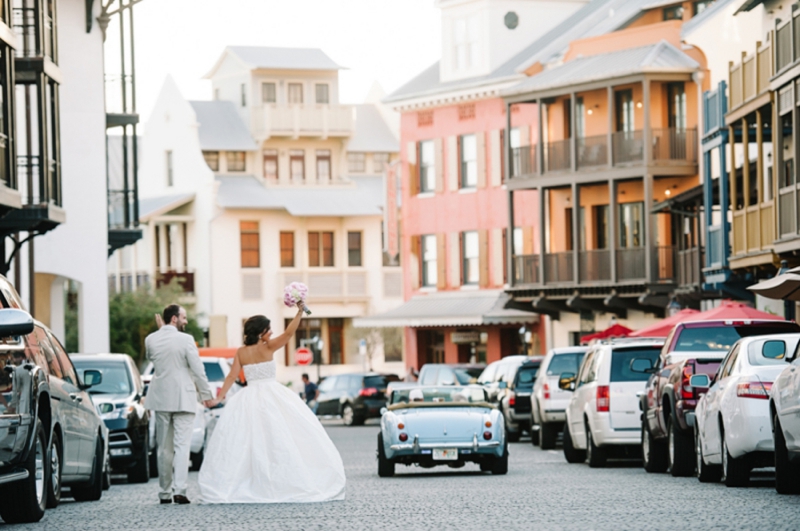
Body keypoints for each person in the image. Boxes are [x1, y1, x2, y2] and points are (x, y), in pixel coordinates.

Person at [198, 303, 346, 504]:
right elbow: (288, 333)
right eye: (268, 329)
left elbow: (232, 375)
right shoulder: (269, 346)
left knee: (246, 441)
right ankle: (278, 480)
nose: (272, 332)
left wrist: (219, 398)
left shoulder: (241, 352)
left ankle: (251, 480)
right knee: (280, 437)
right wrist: (299, 312)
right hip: (271, 395)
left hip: (248, 397)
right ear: (261, 333)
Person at [145, 304, 215, 505]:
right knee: (182, 446)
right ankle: (180, 491)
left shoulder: (151, 339)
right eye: (183, 317)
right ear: (174, 319)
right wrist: (206, 394)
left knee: (163, 449)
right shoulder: (186, 340)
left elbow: (154, 357)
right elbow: (197, 368)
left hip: (160, 399)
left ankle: (164, 493)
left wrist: (161, 331)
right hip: (183, 398)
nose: (185, 321)